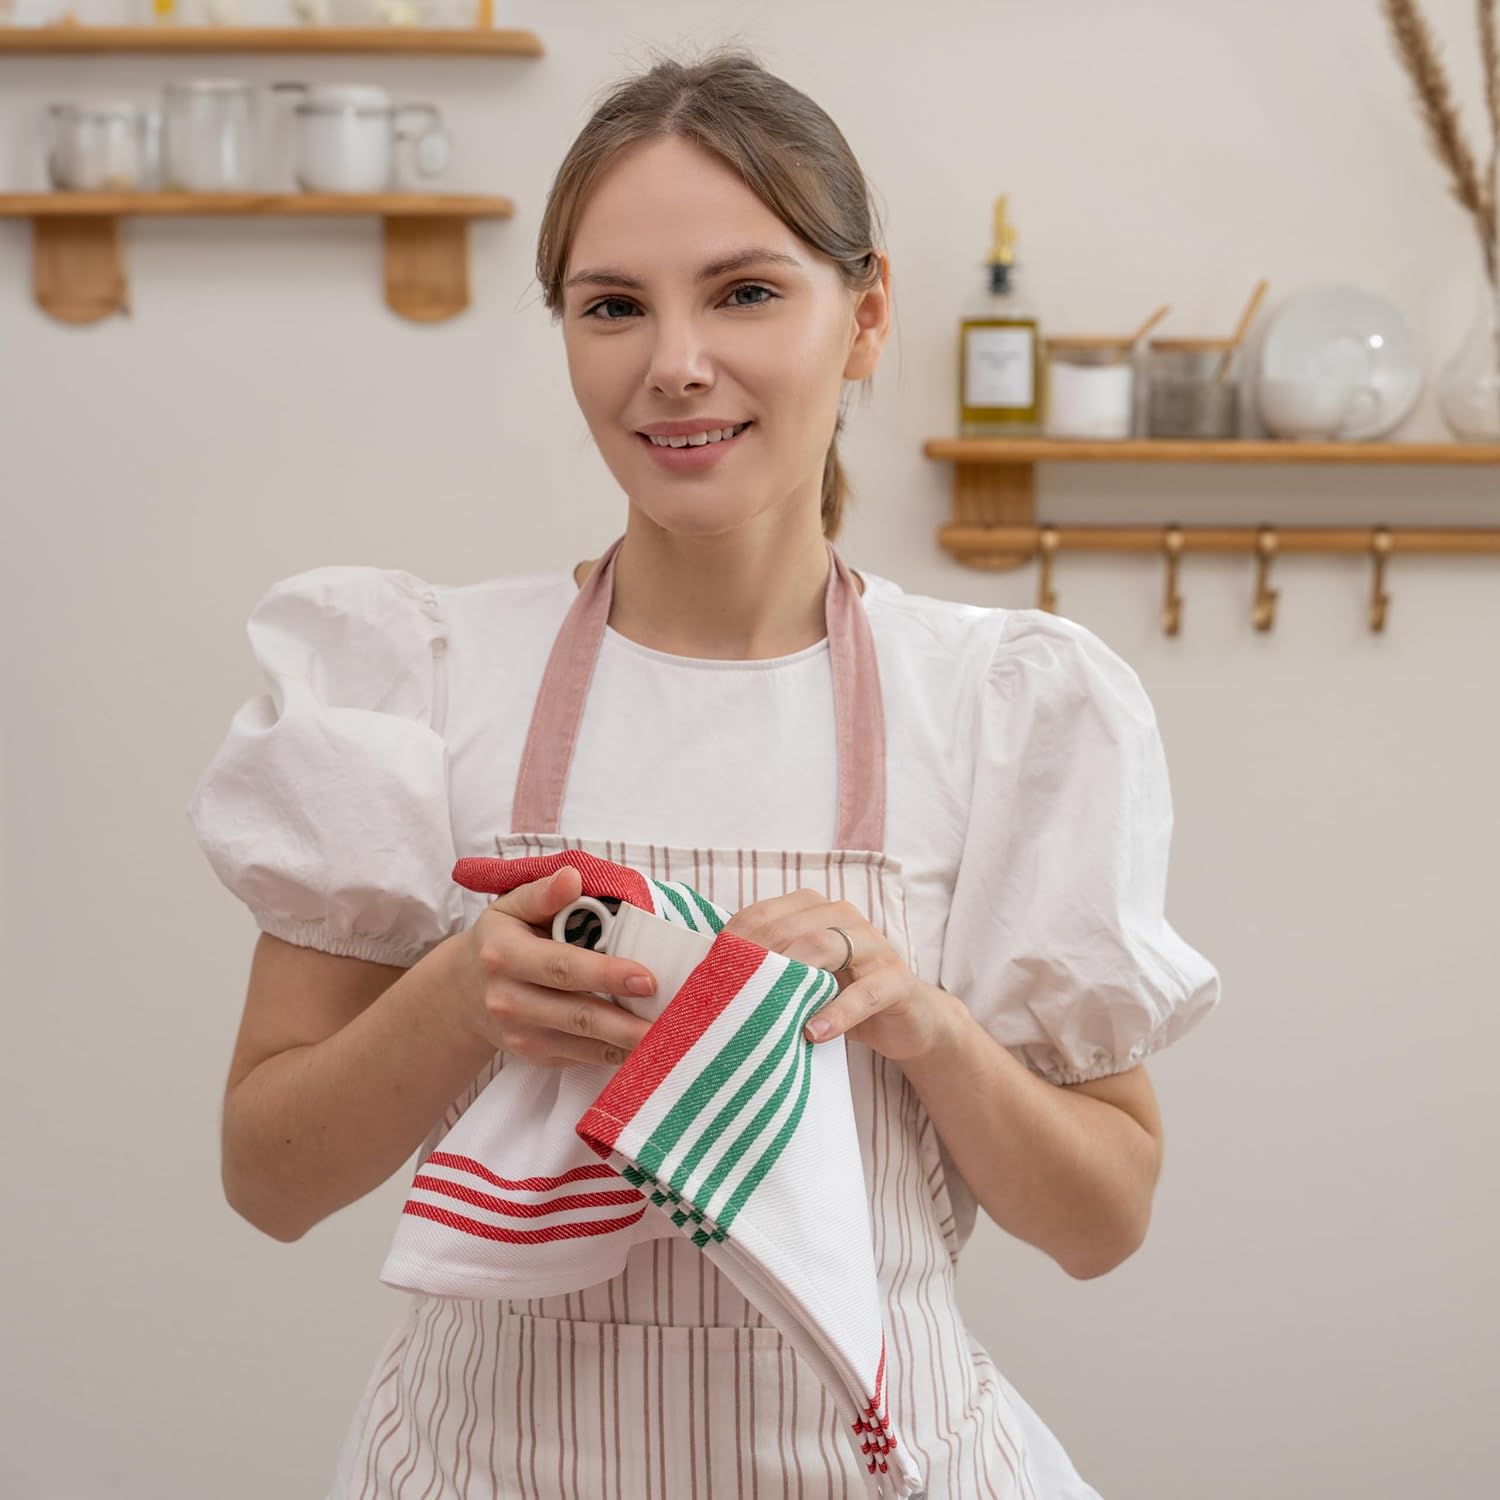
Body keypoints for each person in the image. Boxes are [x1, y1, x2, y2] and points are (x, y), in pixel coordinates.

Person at [187, 48, 1221, 1499]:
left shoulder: (1002, 708)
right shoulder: (412, 677)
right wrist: (457, 993)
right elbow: (268, 1178)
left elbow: (1104, 1218)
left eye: (744, 292)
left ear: (865, 319)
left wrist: (922, 1022)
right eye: (614, 306)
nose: (673, 361)